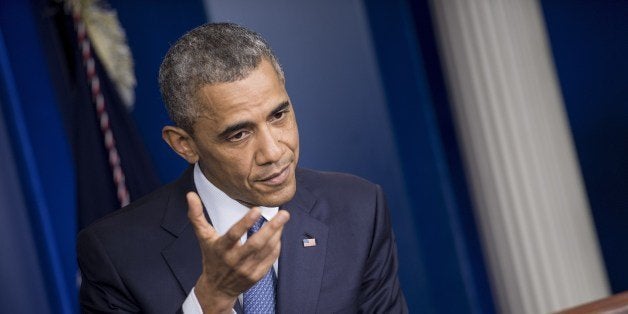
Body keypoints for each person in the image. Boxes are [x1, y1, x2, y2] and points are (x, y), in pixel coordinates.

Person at [77, 22, 407, 313]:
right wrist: (209, 301)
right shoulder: (115, 253)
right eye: (239, 134)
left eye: (279, 115)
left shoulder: (358, 208)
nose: (274, 151)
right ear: (184, 144)